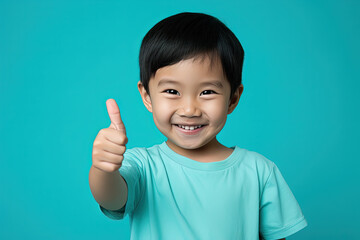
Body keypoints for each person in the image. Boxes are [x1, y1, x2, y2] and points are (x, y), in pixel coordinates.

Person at [89, 12, 307, 240]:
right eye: (172, 92)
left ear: (232, 98)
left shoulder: (260, 172)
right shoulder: (143, 167)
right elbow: (110, 196)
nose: (190, 109)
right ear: (147, 96)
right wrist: (104, 170)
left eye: (207, 92)